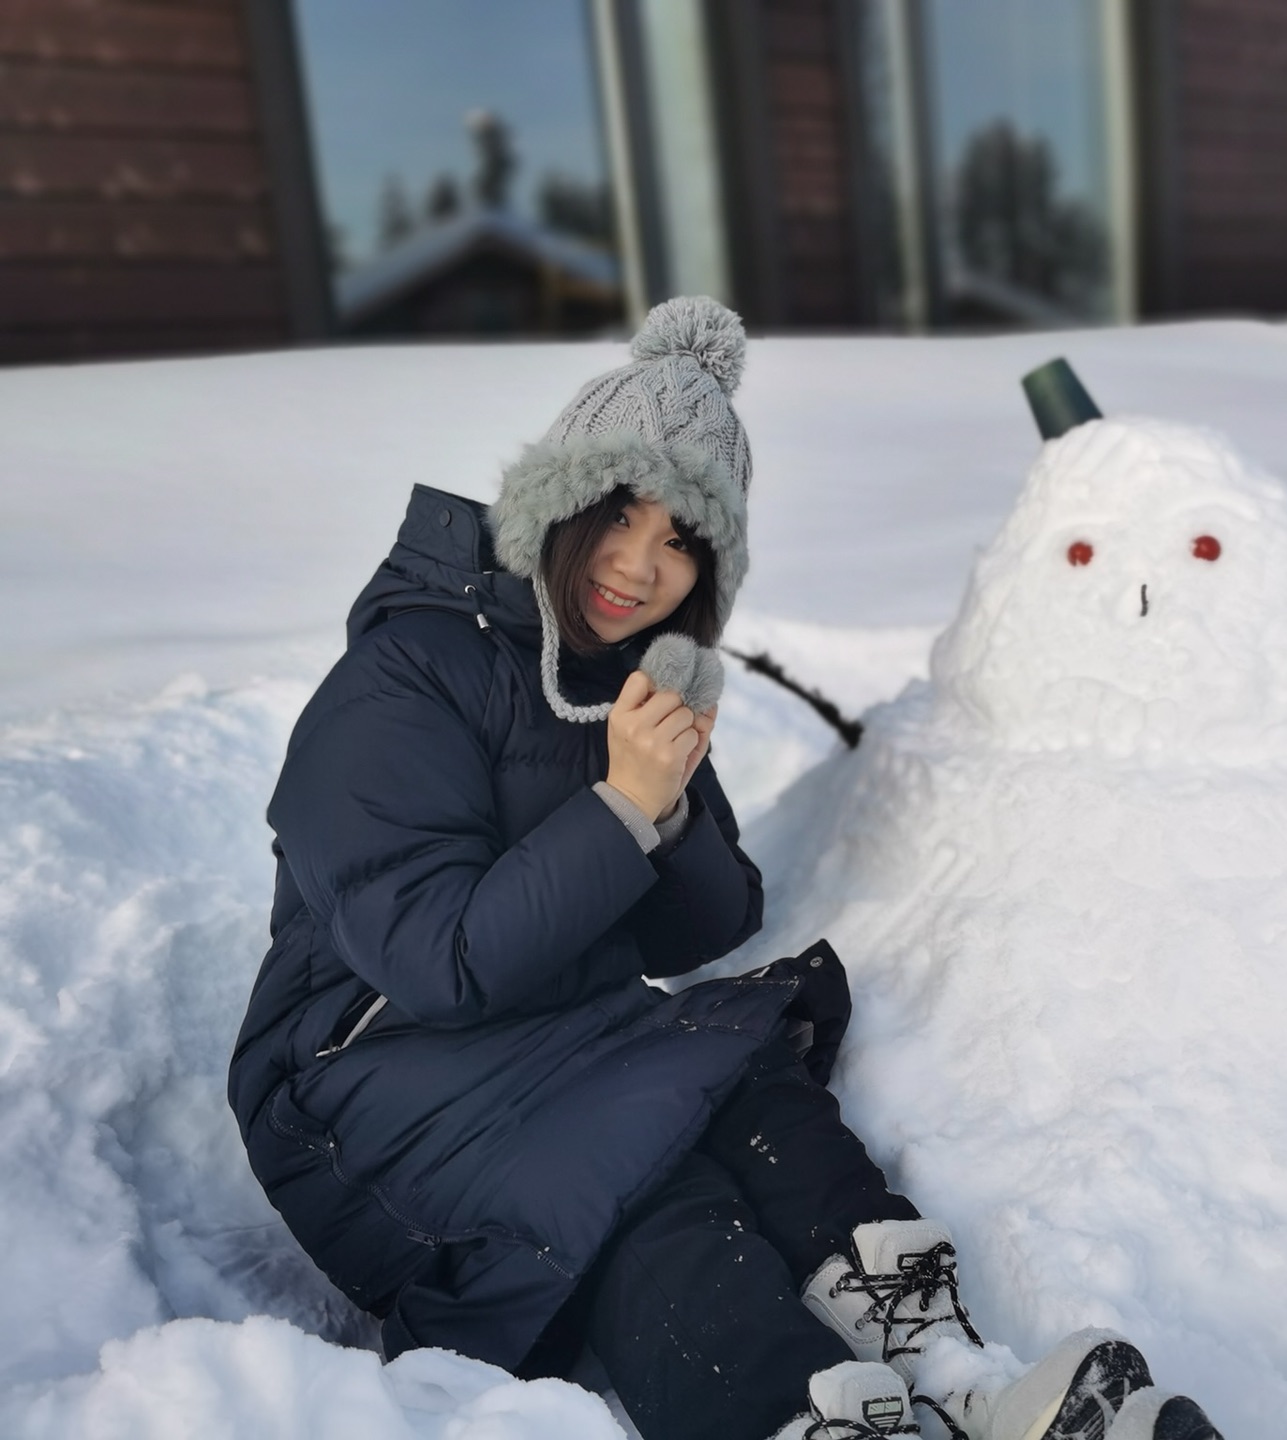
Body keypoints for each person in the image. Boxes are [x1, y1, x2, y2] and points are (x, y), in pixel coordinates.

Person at [228, 297, 1220, 1440]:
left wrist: (673, 796)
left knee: (751, 1083)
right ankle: (794, 1416)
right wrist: (619, 807)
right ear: (557, 499)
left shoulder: (615, 676)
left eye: (682, 541)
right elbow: (437, 961)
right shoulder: (407, 673)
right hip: (363, 1078)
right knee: (642, 1183)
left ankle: (959, 1371)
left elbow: (706, 927)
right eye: (620, 514)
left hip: (558, 1037)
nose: (639, 564)